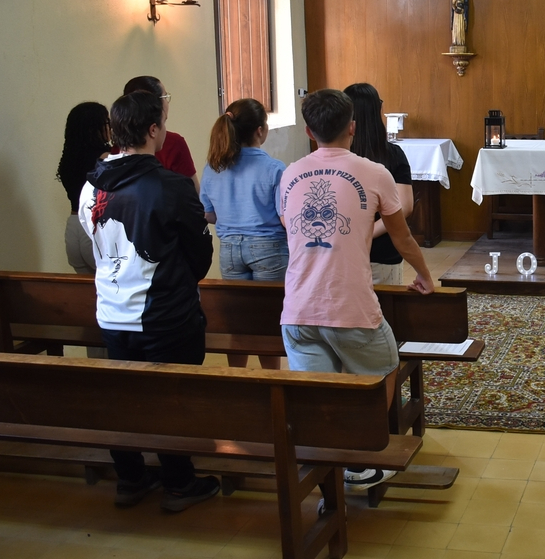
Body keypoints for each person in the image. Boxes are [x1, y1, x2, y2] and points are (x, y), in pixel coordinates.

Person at [280, 89, 435, 491]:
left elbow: (290, 229)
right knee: (384, 366)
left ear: (308, 130)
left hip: (296, 309)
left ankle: (326, 464)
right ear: (352, 127)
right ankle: (359, 459)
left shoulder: (290, 172)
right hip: (349, 306)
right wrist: (425, 275)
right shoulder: (374, 171)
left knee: (320, 394)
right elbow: (402, 239)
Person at [78, 91, 219, 512]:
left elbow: (95, 242)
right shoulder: (169, 186)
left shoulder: (90, 184)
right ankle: (179, 482)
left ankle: (132, 477)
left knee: (127, 396)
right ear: (154, 129)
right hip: (164, 314)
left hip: (111, 310)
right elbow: (199, 255)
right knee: (171, 400)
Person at [200, 98, 287, 369]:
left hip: (229, 249)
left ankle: (238, 377)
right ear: (260, 131)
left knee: (237, 321)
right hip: (269, 248)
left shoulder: (213, 167)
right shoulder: (274, 168)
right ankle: (271, 379)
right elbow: (285, 217)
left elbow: (208, 214)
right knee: (267, 320)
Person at [345, 83, 414, 285]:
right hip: (382, 250)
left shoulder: (334, 156)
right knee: (385, 313)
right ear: (378, 110)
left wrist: (355, 235)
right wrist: (368, 232)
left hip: (343, 249)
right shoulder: (391, 155)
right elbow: (405, 206)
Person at [57, 102, 111, 275]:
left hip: (73, 227)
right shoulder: (104, 158)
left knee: (86, 294)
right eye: (107, 123)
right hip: (95, 227)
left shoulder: (68, 159)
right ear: (96, 128)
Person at [123, 75, 200, 191]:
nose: (167, 102)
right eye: (165, 96)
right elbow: (194, 193)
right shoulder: (174, 143)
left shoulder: (116, 148)